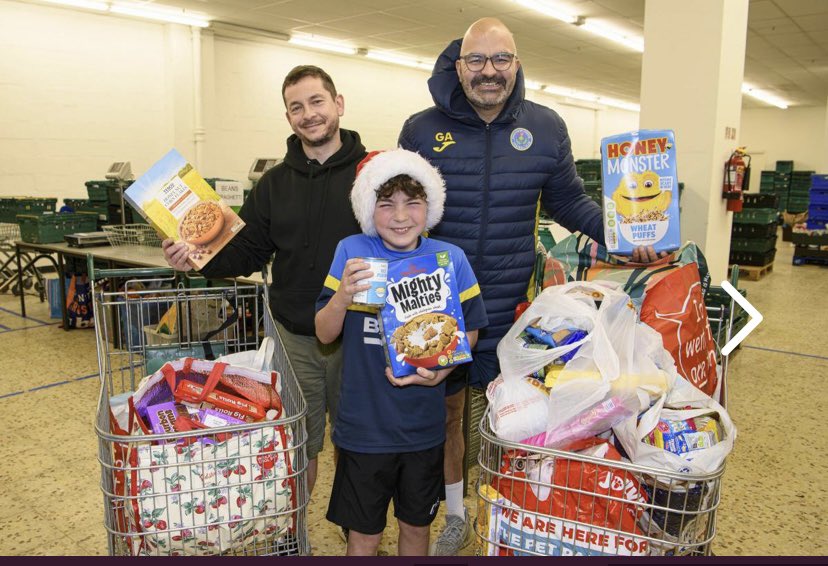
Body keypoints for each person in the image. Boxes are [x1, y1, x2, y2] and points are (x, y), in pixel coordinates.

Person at [398, 17, 663, 555]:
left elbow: (569, 201)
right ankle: (455, 514)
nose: (489, 71)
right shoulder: (421, 130)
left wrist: (624, 237)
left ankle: (507, 512)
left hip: (510, 308)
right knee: (447, 416)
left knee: (515, 417)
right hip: (442, 306)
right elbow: (400, 208)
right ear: (459, 66)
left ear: (516, 64)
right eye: (477, 60)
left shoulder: (545, 127)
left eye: (501, 59)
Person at [162, 65, 366, 499]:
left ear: (338, 104)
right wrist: (193, 258)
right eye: (296, 107)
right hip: (294, 335)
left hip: (359, 332)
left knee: (356, 442)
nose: (308, 114)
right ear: (288, 117)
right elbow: (247, 252)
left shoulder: (370, 174)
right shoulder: (274, 185)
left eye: (317, 101)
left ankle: (356, 527)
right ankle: (296, 528)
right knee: (297, 441)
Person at [315, 148, 488, 556]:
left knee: (416, 528)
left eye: (413, 203)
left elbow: (471, 330)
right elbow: (324, 333)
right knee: (363, 536)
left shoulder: (450, 259)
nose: (400, 216)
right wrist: (342, 296)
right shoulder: (352, 252)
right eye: (385, 204)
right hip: (362, 428)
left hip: (422, 429)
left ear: (430, 207)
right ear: (367, 209)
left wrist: (442, 371)